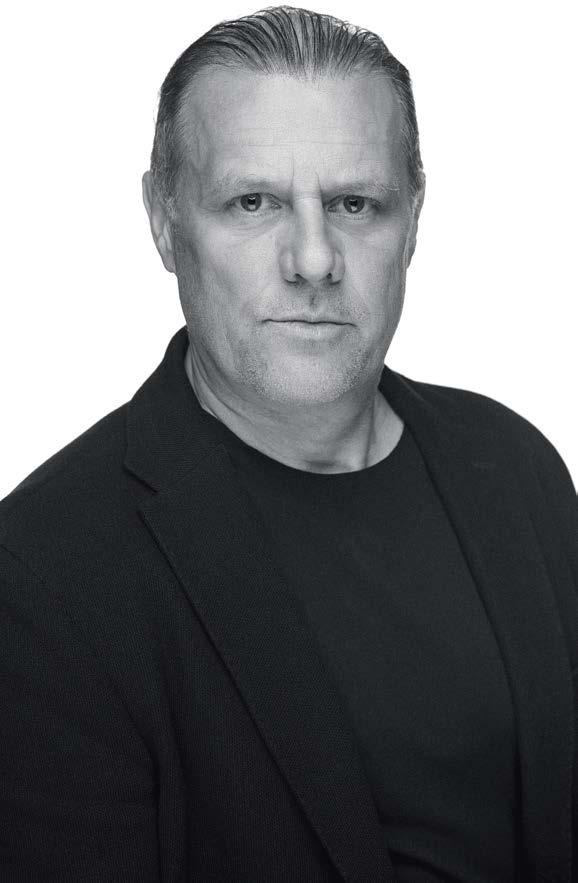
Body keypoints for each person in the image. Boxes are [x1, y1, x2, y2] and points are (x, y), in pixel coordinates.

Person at [1, 6, 576, 882]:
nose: (313, 259)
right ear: (163, 220)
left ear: (414, 219)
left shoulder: (517, 468)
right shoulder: (44, 576)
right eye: (253, 202)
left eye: (354, 203)